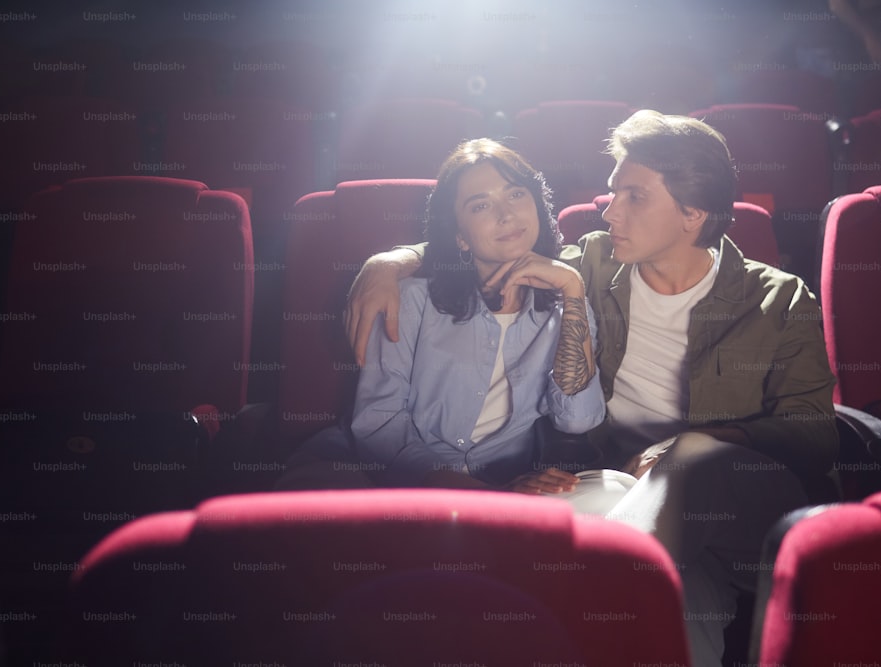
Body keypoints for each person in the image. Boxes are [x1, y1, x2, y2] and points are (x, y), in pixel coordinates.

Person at [344, 110, 838, 667]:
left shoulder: (778, 299)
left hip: (748, 514)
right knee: (677, 617)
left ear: (692, 214)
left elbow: (816, 434)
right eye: (612, 192)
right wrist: (391, 261)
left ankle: (595, 584)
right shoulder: (593, 265)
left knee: (692, 456)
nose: (609, 209)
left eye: (633, 196)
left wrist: (709, 441)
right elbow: (491, 246)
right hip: (629, 497)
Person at [275, 138, 605, 493]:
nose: (506, 214)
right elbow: (378, 427)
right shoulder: (410, 297)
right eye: (481, 206)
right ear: (460, 237)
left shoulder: (568, 304)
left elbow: (577, 420)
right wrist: (483, 496)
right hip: (384, 479)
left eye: (515, 195)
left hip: (505, 485)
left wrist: (572, 287)